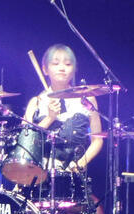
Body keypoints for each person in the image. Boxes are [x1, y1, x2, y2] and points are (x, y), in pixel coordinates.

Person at [24, 44, 103, 174]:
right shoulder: (36, 102)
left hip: (73, 174)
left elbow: (97, 139)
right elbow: (25, 142)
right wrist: (50, 118)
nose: (62, 68)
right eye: (55, 64)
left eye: (68, 64)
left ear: (75, 69)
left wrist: (80, 164)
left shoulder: (87, 99)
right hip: (39, 175)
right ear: (45, 69)